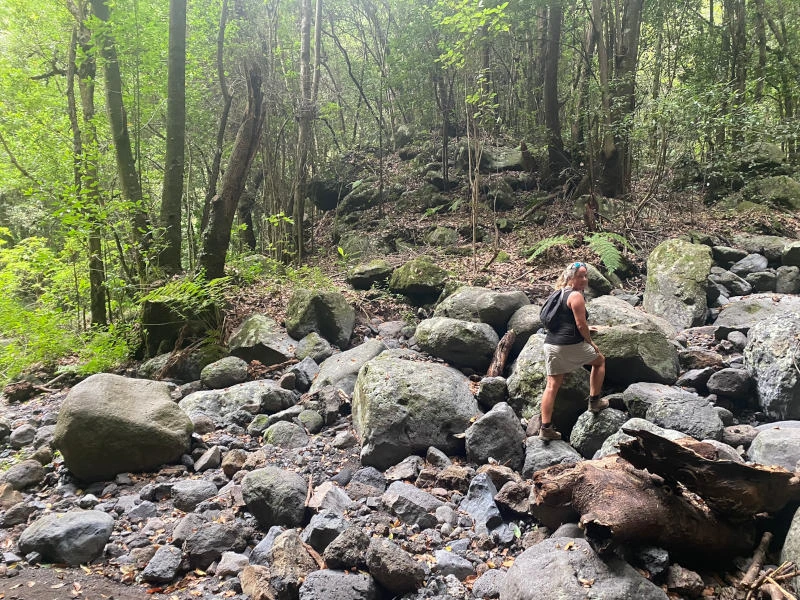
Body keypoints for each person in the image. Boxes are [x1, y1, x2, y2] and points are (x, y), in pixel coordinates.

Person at [539, 261, 607, 441]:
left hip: (551, 344)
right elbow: (580, 324)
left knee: (552, 386)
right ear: (571, 278)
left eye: (586, 276)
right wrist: (590, 341)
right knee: (599, 361)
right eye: (580, 276)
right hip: (567, 344)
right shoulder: (576, 296)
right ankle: (594, 402)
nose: (584, 279)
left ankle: (545, 429)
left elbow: (564, 319)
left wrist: (585, 327)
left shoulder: (558, 293)